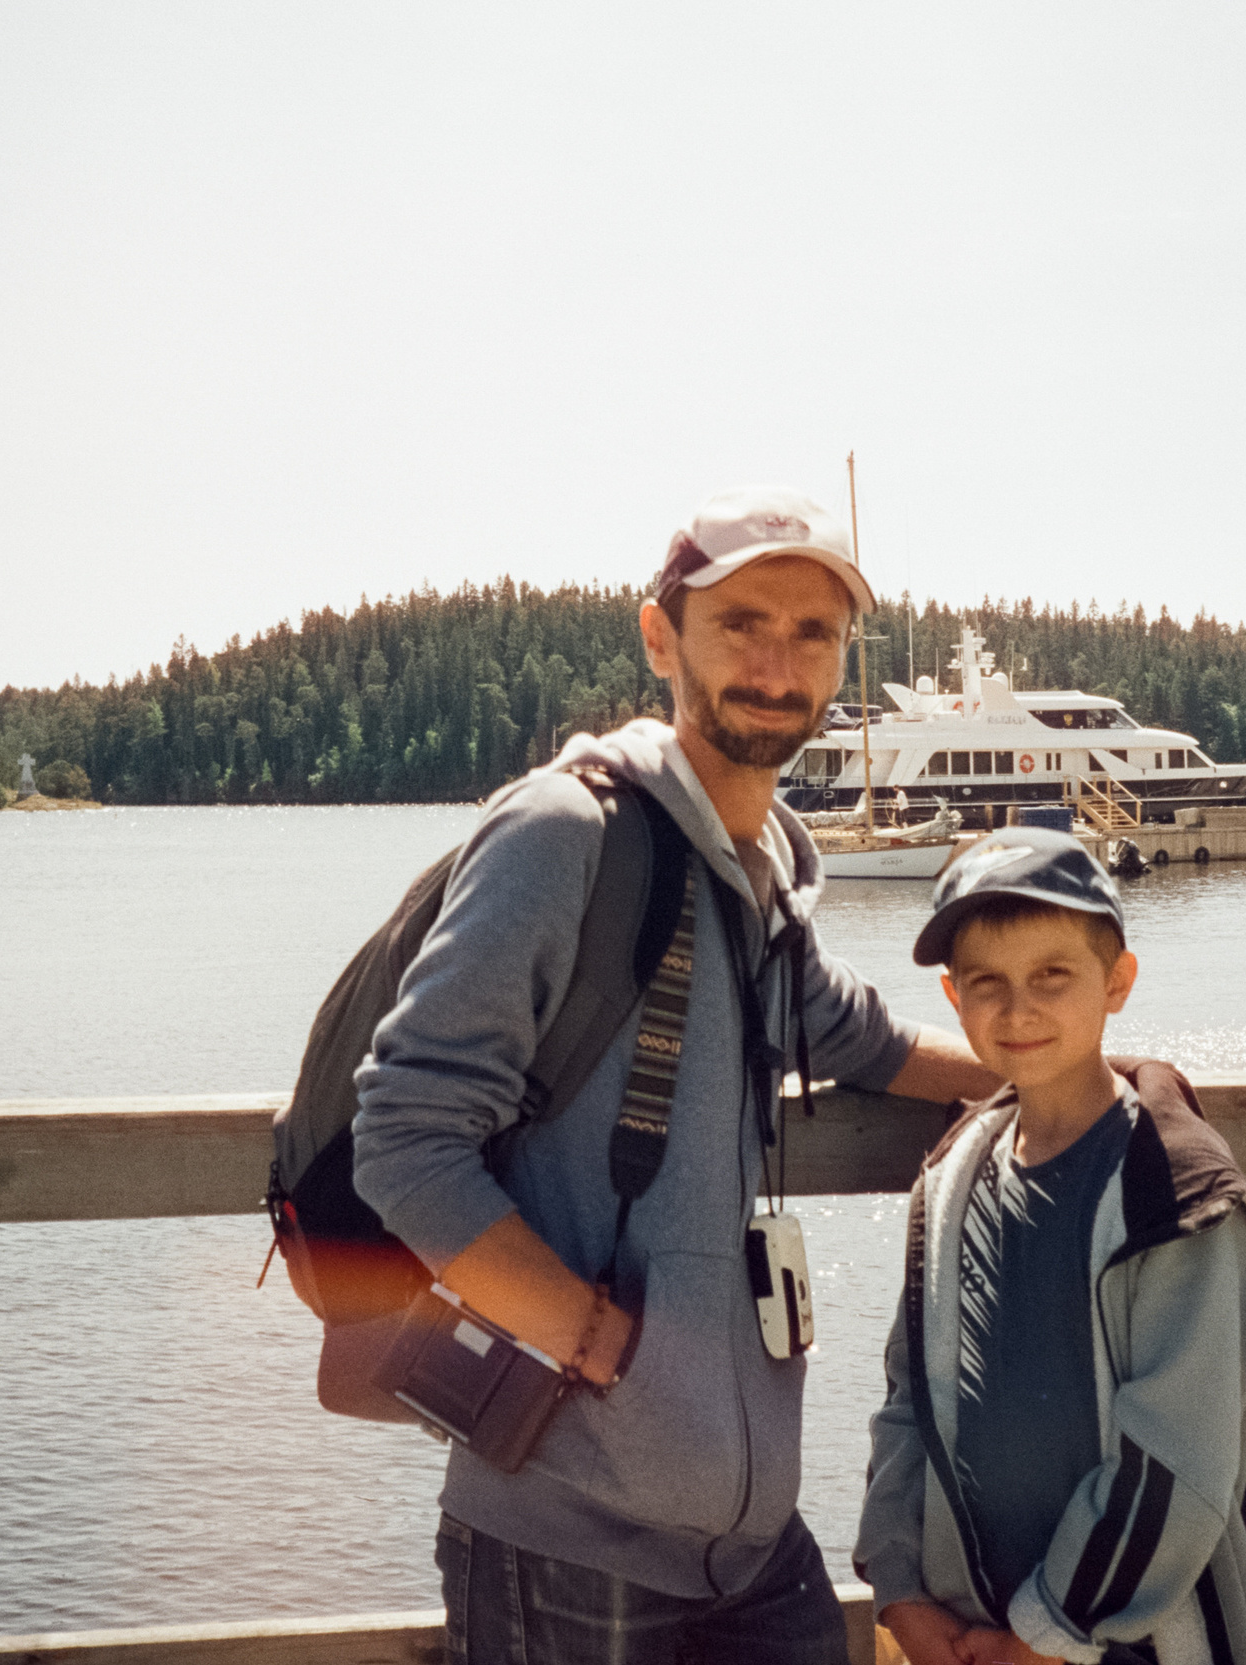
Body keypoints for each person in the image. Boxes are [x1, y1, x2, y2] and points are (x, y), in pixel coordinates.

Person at [352, 486, 996, 1665]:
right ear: (661, 638)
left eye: (813, 633)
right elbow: (403, 1134)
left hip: (751, 1544)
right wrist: (598, 1341)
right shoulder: (566, 833)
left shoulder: (760, 868)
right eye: (742, 621)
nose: (777, 661)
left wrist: (1061, 1074)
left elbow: (847, 1032)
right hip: (568, 1537)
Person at [855, 828, 1246, 1665]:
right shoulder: (952, 1178)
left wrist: (1045, 1634)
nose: (1018, 1009)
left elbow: (1176, 1467)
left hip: (1134, 1638)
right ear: (952, 998)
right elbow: (908, 1402)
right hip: (964, 1627)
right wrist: (900, 1588)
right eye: (987, 983)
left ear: (1117, 981)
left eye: (1052, 975)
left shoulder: (1177, 1195)